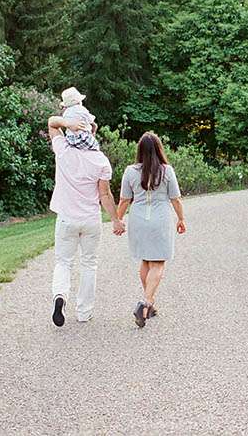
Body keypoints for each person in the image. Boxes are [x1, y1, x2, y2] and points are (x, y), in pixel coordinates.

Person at [47, 114, 125, 327]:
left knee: (63, 262)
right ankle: (84, 312)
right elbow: (105, 195)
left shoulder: (63, 150)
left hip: (66, 219)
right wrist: (116, 220)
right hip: (90, 220)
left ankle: (60, 297)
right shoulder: (100, 160)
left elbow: (52, 123)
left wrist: (68, 123)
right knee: (89, 264)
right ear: (92, 134)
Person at [116, 131, 186, 328]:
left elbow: (124, 200)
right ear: (159, 150)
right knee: (158, 264)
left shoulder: (130, 171)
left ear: (139, 150)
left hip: (138, 220)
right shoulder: (166, 171)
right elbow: (175, 199)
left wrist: (118, 220)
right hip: (160, 220)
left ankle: (150, 304)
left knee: (146, 261)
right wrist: (181, 219)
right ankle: (146, 303)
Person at [60, 86, 100, 151]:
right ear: (79, 102)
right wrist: (93, 131)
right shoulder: (81, 109)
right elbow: (90, 120)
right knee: (95, 145)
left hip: (70, 139)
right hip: (82, 138)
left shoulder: (65, 113)